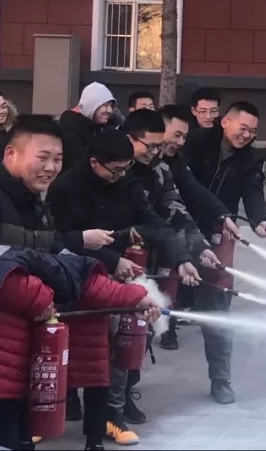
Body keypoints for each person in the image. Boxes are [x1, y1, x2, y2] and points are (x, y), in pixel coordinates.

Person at [47, 127, 195, 441]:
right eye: (114, 170)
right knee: (68, 346)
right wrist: (110, 257)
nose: (120, 176)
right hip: (73, 276)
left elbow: (153, 222)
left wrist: (181, 257)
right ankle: (60, 406)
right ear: (94, 163)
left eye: (125, 169)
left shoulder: (127, 182)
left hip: (115, 276)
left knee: (117, 342)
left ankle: (112, 414)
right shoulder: (65, 188)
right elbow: (58, 240)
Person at [0, 246, 161, 451]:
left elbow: (99, 287)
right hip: (1, 382)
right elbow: (20, 287)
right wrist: (43, 301)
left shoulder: (55, 264)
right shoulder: (11, 269)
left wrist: (137, 298)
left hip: (11, 378)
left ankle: (98, 432)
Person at [184, 101, 266, 405]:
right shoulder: (196, 143)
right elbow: (186, 185)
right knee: (156, 297)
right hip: (179, 226)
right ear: (225, 122)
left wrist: (260, 219)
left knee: (219, 306)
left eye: (252, 132)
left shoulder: (250, 160)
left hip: (219, 232)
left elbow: (253, 191)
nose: (246, 136)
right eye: (242, 128)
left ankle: (221, 380)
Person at [155, 105, 240, 351]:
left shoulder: (173, 163)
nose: (180, 142)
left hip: (169, 233)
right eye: (176, 135)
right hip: (137, 241)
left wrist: (222, 215)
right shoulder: (134, 163)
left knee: (170, 285)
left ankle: (168, 328)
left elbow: (193, 192)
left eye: (184, 136)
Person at [0, 116, 114, 255]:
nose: (50, 168)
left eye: (57, 159)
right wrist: (78, 239)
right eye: (43, 158)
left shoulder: (33, 197)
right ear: (11, 153)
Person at [59, 83, 118, 173]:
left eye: (111, 106)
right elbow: (76, 164)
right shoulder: (71, 127)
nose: (109, 110)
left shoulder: (100, 126)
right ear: (91, 104)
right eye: (105, 105)